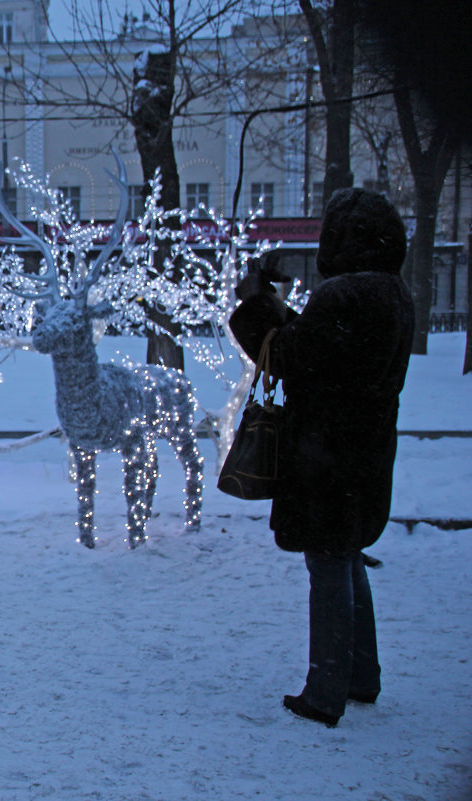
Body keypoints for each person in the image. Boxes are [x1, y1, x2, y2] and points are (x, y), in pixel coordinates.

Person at [229, 187, 414, 727]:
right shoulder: (392, 295)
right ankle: (361, 675)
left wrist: (256, 301)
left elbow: (287, 354)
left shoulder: (344, 298)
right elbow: (319, 348)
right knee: (348, 555)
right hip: (366, 451)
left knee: (329, 565)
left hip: (326, 456)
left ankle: (325, 692)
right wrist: (276, 308)